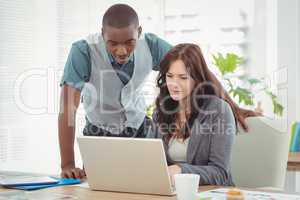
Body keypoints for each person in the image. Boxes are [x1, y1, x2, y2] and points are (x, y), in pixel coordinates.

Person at [58, 4, 259, 179]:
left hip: (139, 132)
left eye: (129, 42)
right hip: (99, 135)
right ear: (103, 34)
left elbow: (192, 67)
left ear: (139, 32)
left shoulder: (151, 45)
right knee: (101, 188)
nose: (122, 51)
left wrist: (233, 107)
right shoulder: (83, 51)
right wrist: (67, 164)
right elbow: (67, 109)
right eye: (113, 43)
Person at [149, 43, 236, 185]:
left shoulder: (218, 110)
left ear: (198, 79)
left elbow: (220, 173)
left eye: (183, 78)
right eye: (170, 76)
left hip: (209, 194)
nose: (174, 84)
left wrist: (180, 170)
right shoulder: (160, 112)